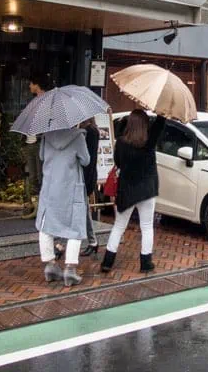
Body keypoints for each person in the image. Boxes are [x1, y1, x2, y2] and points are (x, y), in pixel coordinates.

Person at [101, 109, 166, 274]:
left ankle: (107, 261)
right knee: (146, 226)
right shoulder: (149, 141)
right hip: (147, 190)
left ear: (129, 124)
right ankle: (145, 262)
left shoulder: (122, 143)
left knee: (119, 226)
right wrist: (161, 110)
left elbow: (118, 163)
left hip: (127, 190)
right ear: (145, 124)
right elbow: (160, 123)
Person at [35, 126, 91, 287]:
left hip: (50, 186)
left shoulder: (46, 136)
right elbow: (86, 160)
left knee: (46, 226)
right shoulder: (78, 137)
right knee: (75, 227)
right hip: (70, 188)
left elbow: (41, 156)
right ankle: (70, 269)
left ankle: (50, 265)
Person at [22, 73, 55, 219]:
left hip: (40, 142)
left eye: (31, 83)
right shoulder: (33, 101)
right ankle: (36, 207)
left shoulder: (48, 101)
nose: (29, 86)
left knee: (41, 175)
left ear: (37, 84)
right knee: (32, 176)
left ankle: (43, 209)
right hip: (30, 141)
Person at [80, 117, 101, 256]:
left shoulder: (89, 132)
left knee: (83, 210)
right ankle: (93, 242)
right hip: (88, 175)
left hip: (85, 176)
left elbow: (87, 158)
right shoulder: (91, 130)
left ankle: (93, 241)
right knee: (84, 209)